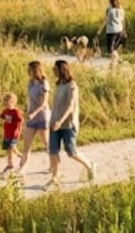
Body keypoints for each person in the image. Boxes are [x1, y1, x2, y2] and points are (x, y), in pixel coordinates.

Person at [47, 60, 95, 189]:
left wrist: (60, 121)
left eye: (55, 68)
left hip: (67, 124)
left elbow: (70, 107)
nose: (53, 70)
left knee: (71, 152)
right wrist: (52, 120)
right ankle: (55, 178)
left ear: (61, 70)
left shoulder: (72, 85)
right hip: (54, 123)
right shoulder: (59, 85)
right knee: (53, 151)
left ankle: (90, 165)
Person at [16, 60, 50, 174]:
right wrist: (25, 112)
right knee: (27, 143)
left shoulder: (44, 83)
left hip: (42, 115)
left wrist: (33, 113)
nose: (28, 71)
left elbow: (44, 103)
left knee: (46, 142)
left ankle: (54, 162)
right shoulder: (30, 83)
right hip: (31, 116)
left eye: (30, 69)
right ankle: (23, 167)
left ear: (35, 70)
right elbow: (30, 100)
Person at [0, 92, 23, 174]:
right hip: (7, 133)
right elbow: (1, 116)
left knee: (12, 146)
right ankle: (10, 165)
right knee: (8, 150)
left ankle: (19, 154)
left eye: (8, 101)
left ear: (13, 101)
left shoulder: (16, 111)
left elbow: (21, 120)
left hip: (14, 133)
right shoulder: (5, 111)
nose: (6, 103)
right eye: (5, 101)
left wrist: (19, 130)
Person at [98, 0, 126, 66]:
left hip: (111, 31)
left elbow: (105, 20)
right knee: (114, 49)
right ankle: (115, 61)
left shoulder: (109, 9)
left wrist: (100, 30)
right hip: (119, 30)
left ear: (110, 0)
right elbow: (123, 21)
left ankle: (115, 62)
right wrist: (124, 30)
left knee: (110, 50)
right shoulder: (121, 9)